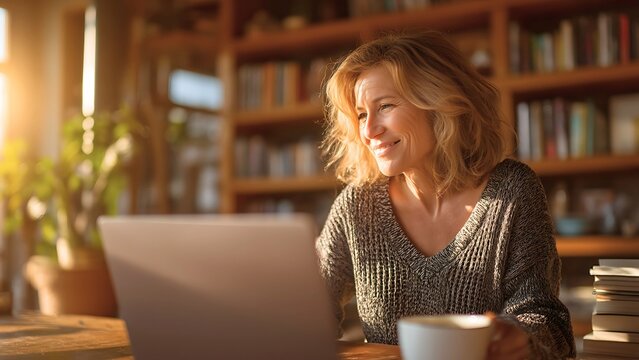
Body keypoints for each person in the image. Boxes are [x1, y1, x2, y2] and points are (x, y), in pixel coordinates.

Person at [315, 31, 576, 360]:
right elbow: (308, 310)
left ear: (437, 105)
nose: (368, 131)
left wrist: (520, 337)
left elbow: (549, 322)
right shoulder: (356, 206)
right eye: (362, 114)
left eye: (385, 106)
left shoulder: (512, 190)